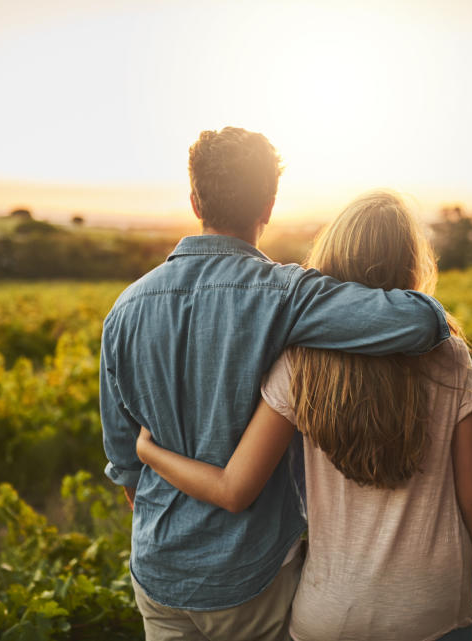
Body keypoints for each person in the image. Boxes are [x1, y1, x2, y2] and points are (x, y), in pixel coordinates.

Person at [101, 129, 453, 641]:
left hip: (158, 575)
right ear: (269, 204)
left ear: (195, 200)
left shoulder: (124, 310)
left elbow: (126, 466)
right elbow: (424, 322)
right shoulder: (286, 296)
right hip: (252, 575)